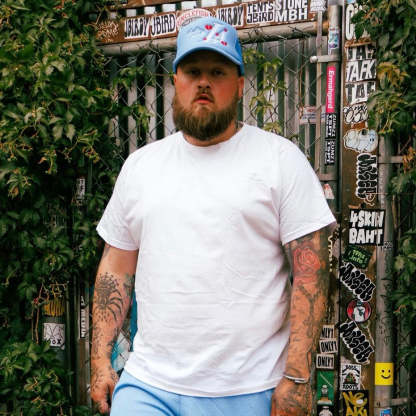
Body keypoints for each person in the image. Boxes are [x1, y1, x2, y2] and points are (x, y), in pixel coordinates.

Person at [90, 16, 335, 416]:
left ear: (239, 85)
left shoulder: (279, 161)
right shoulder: (141, 167)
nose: (203, 82)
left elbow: (311, 273)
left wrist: (297, 377)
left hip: (249, 389)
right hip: (150, 386)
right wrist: (101, 361)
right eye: (193, 71)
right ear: (176, 81)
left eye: (217, 72)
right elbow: (115, 269)